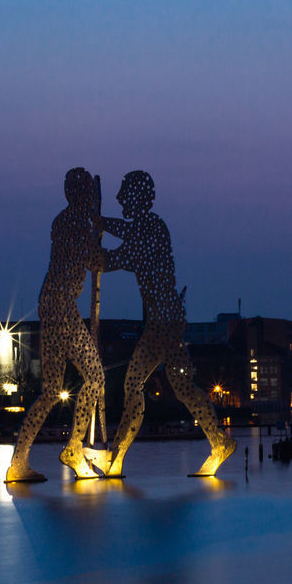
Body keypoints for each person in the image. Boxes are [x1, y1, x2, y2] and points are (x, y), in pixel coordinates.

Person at [83, 170, 236, 477]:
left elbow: (114, 258)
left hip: (163, 323)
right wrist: (98, 231)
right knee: (183, 388)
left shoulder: (152, 229)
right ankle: (219, 441)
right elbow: (120, 241)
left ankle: (116, 457)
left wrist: (95, 239)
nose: (118, 198)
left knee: (133, 385)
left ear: (137, 197)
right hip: (167, 320)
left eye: (124, 192)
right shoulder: (146, 228)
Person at [5, 168, 105, 482]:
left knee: (50, 391)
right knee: (96, 377)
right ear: (81, 196)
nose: (87, 200)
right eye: (85, 194)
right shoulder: (73, 222)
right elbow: (93, 261)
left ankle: (18, 462)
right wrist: (99, 238)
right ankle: (74, 448)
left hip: (52, 305)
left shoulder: (68, 221)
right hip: (61, 306)